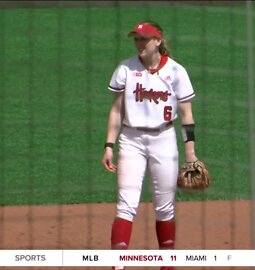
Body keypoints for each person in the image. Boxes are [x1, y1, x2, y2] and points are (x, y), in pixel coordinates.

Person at [101, 21, 198, 270]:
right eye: (136, 39)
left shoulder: (177, 71)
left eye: (144, 39)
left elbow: (187, 115)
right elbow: (115, 110)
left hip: (164, 140)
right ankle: (117, 266)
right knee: (126, 204)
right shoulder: (125, 68)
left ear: (157, 41)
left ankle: (167, 265)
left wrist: (190, 153)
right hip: (131, 140)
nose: (139, 43)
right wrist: (109, 145)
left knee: (165, 206)